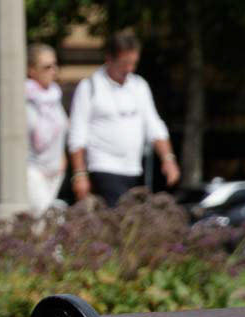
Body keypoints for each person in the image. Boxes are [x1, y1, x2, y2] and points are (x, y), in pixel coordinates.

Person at [68, 31, 179, 206]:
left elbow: (154, 125)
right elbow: (77, 133)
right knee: (120, 222)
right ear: (109, 59)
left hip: (133, 169)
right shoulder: (90, 87)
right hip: (103, 168)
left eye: (133, 64)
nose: (129, 69)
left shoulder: (139, 86)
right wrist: (80, 174)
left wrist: (168, 158)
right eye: (124, 64)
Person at [25, 43, 67, 214]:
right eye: (47, 67)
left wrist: (62, 159)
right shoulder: (22, 97)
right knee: (46, 218)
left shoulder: (54, 95)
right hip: (32, 170)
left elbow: (62, 129)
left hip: (55, 172)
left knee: (41, 223)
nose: (53, 71)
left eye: (54, 65)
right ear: (31, 70)